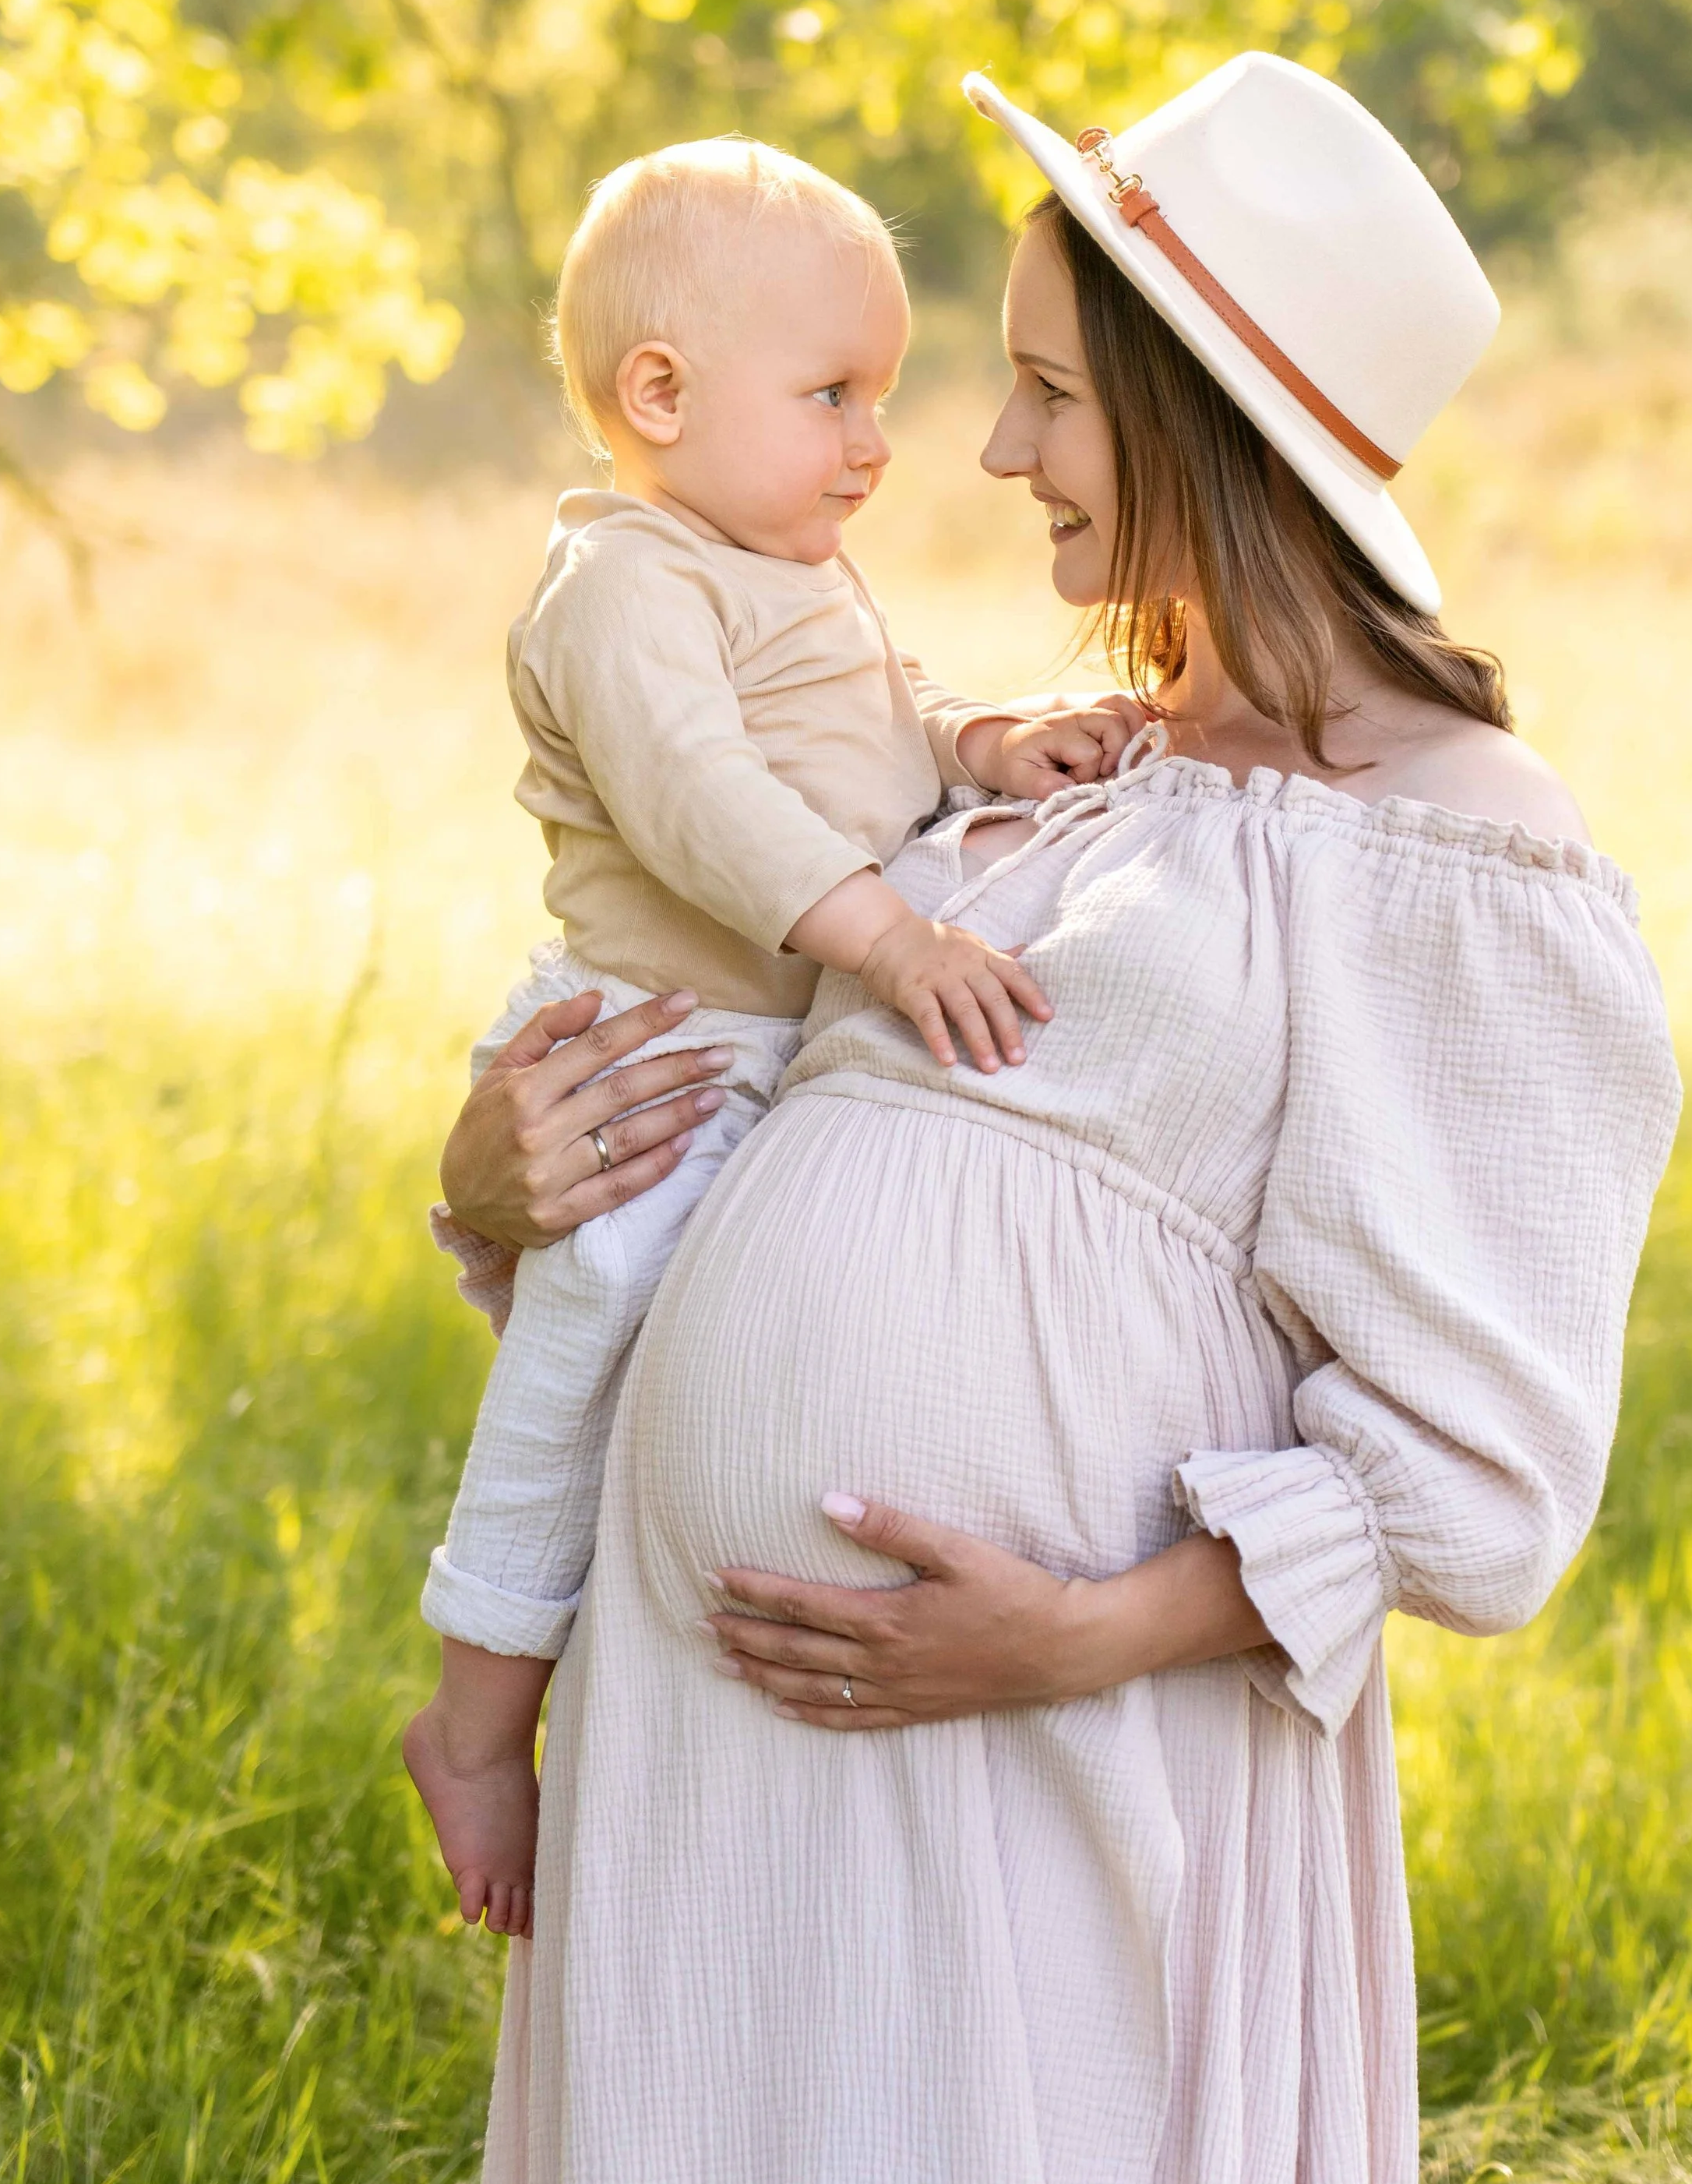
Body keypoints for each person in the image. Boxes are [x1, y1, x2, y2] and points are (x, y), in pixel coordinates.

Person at [418, 53, 1682, 2184]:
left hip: (1033, 1751)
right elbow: (727, 1106)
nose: (987, 459)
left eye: (1043, 394)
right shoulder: (1044, 760)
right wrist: (494, 1176)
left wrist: (1075, 1633)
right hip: (723, 1734)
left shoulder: (1455, 847)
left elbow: (1483, 1488)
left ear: (1203, 421)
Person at [409, 136, 1147, 1928]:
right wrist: (887, 937)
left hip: (758, 1045)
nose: (877, 443)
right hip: (651, 1045)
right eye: (833, 394)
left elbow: (871, 727)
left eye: (879, 396)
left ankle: (630, 1717)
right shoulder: (624, 588)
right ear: (655, 394)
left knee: (679, 1371)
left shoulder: (784, 569)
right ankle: (474, 1713)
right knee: (578, 1361)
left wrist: (985, 749)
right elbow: (702, 805)